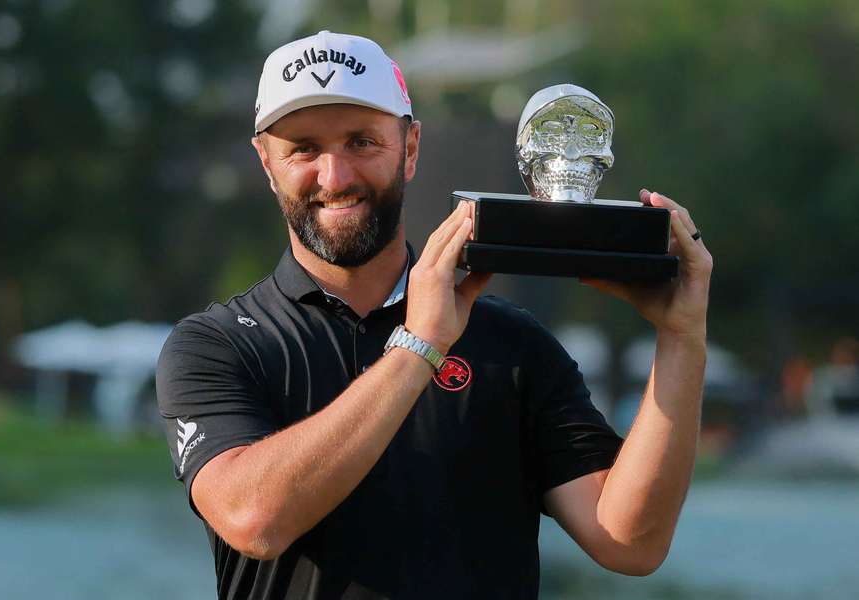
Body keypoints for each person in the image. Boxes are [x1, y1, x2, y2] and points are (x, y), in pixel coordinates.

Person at [156, 30, 713, 600]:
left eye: (362, 143)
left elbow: (632, 543)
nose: (336, 176)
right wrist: (418, 344)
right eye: (303, 148)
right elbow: (256, 520)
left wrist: (682, 337)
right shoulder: (215, 345)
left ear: (411, 148)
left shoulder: (511, 343)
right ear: (266, 163)